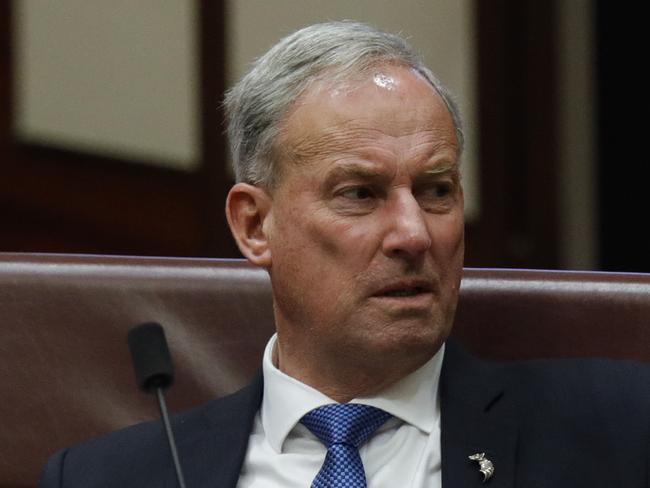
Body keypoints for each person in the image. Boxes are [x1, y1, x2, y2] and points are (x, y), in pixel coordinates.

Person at [40, 21, 650, 488]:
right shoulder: (111, 476)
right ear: (255, 225)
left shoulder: (622, 424)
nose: (414, 234)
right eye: (360, 194)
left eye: (437, 190)